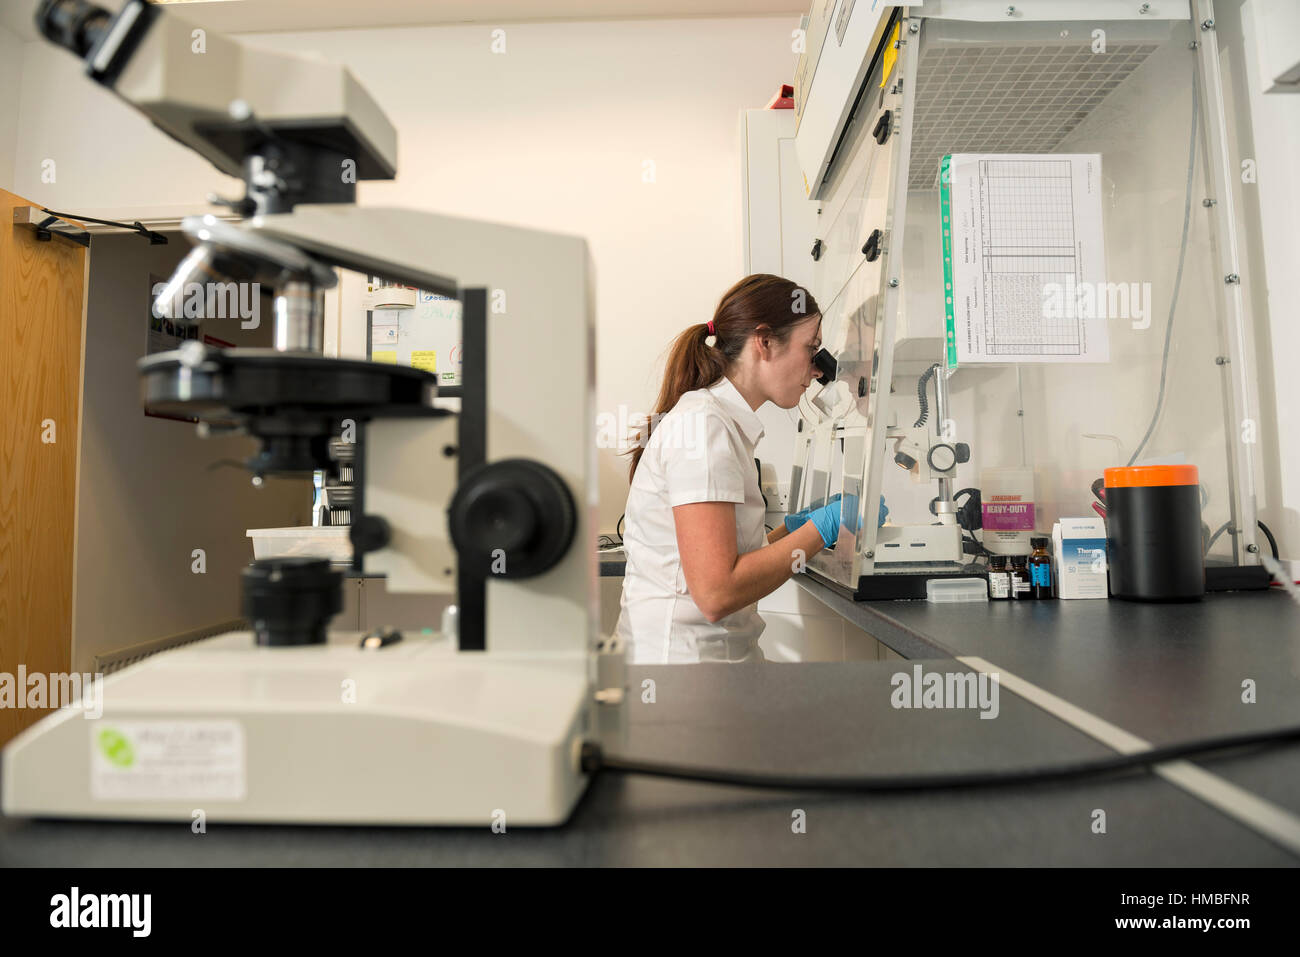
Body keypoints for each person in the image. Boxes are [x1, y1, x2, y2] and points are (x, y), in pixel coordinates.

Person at [615, 274, 846, 664]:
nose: (819, 370)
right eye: (812, 349)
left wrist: (786, 534)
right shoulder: (705, 428)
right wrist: (821, 531)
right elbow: (716, 592)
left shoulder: (716, 421)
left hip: (705, 663)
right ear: (765, 342)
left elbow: (725, 559)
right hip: (682, 672)